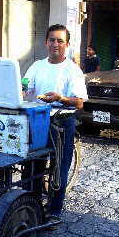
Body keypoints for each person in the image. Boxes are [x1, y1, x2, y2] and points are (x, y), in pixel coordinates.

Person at [24, 24, 87, 223]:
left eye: (60, 40)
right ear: (46, 43)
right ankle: (31, 206)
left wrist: (60, 98)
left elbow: (79, 102)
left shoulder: (72, 70)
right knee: (32, 165)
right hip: (37, 120)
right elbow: (26, 86)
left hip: (62, 122)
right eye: (52, 40)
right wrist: (23, 91)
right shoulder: (37, 66)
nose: (55, 44)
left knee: (59, 168)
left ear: (66, 44)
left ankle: (54, 212)